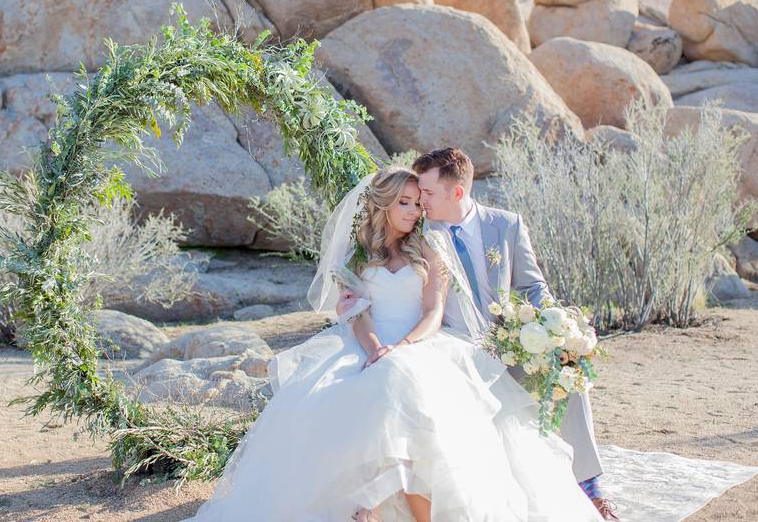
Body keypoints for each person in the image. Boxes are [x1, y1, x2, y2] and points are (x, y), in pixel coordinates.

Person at [184, 167, 603, 522]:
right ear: (383, 204)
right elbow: (356, 315)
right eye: (404, 202)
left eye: (418, 202)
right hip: (367, 346)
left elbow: (434, 311)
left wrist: (401, 346)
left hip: (420, 343)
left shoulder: (428, 247)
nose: (414, 210)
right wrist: (374, 350)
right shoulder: (357, 256)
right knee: (369, 385)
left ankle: (384, 507)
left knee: (404, 384)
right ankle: (371, 503)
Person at [413, 146, 618, 521]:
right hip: (456, 352)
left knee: (568, 373)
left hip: (515, 344)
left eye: (428, 192)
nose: (421, 200)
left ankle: (590, 488)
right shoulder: (420, 234)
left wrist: (557, 328)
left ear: (457, 192)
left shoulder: (506, 225)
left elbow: (533, 286)